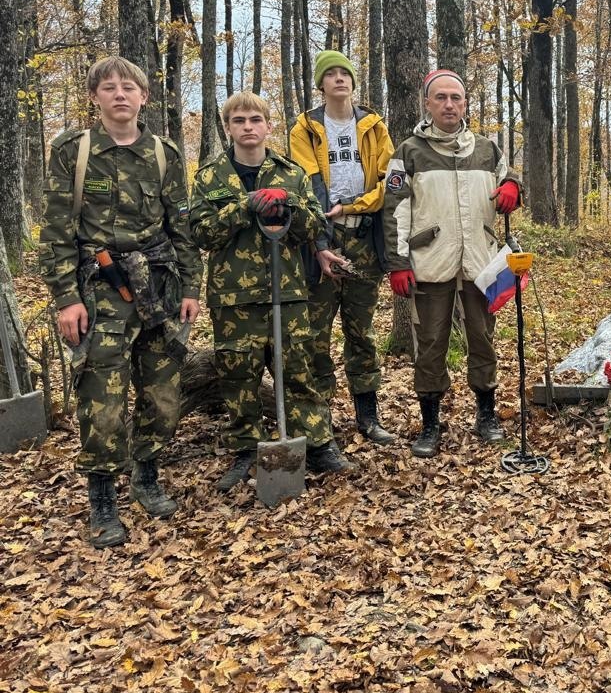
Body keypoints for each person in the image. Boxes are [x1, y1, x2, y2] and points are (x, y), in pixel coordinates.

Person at [40, 56, 202, 547]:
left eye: (128, 87)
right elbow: (55, 230)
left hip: (157, 288)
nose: (119, 95)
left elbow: (182, 225)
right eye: (108, 88)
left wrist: (192, 287)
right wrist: (67, 298)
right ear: (95, 97)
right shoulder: (75, 150)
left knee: (163, 394)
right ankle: (102, 498)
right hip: (100, 290)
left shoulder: (164, 153)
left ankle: (146, 475)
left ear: (143, 97)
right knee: (102, 400)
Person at [190, 92, 353, 491]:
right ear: (227, 127)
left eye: (255, 119)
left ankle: (316, 443)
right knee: (238, 375)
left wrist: (289, 207)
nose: (248, 127)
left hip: (288, 290)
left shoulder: (290, 172)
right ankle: (245, 447)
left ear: (268, 125)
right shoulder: (209, 176)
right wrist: (244, 206)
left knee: (298, 368)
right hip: (234, 297)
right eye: (239, 120)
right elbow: (198, 232)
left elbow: (315, 227)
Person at [381, 69, 522, 458]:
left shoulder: (485, 149)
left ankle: (486, 414)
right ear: (427, 103)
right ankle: (430, 423)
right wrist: (398, 262)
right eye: (440, 97)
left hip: (481, 262)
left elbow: (507, 175)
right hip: (429, 262)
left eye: (455, 97)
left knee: (483, 339)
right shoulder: (409, 151)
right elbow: (394, 210)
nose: (448, 104)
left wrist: (513, 185)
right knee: (429, 345)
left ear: (464, 104)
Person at [289, 50, 397, 445]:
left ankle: (368, 417)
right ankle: (320, 423)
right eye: (330, 74)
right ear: (321, 84)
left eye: (344, 73)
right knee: (316, 332)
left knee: (361, 330)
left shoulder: (373, 125)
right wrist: (320, 237)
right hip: (322, 237)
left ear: (353, 81)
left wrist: (355, 206)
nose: (339, 79)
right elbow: (307, 182)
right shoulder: (306, 127)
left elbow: (389, 182)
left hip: (363, 236)